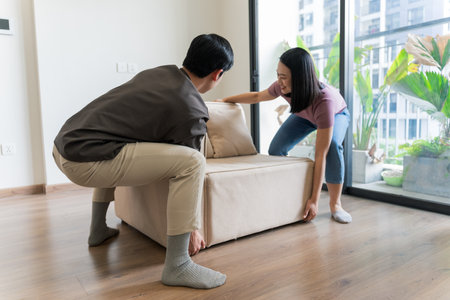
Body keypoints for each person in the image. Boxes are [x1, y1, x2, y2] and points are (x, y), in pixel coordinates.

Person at [53, 33, 233, 289]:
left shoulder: (159, 73)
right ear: (218, 74)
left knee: (118, 138)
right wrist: (192, 228)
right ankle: (178, 265)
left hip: (64, 144)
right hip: (82, 161)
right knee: (193, 162)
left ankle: (97, 229)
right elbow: (190, 165)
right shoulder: (191, 108)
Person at [219, 47, 352, 224]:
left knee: (333, 147)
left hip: (335, 114)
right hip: (305, 115)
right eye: (278, 75)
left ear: (299, 77)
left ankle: (336, 204)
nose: (279, 82)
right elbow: (258, 96)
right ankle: (291, 189)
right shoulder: (282, 87)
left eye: (284, 77)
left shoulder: (324, 101)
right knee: (276, 149)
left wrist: (314, 200)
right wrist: (226, 100)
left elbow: (321, 155)